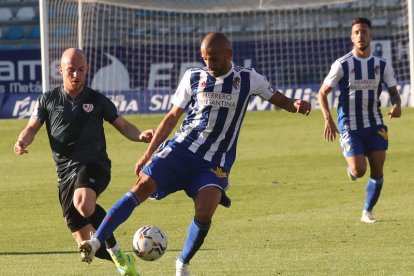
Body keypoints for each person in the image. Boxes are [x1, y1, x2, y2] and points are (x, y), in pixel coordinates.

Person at [78, 32, 311, 275]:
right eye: (205, 58)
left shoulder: (248, 78)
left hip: (215, 161)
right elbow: (172, 117)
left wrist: (295, 105)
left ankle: (182, 263)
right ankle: (96, 242)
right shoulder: (193, 77)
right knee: (142, 185)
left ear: (229, 54)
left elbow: (282, 100)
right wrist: (148, 153)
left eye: (214, 58)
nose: (209, 64)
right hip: (181, 149)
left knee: (205, 210)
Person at [14, 48, 153, 276]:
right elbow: (31, 127)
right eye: (71, 70)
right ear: (60, 70)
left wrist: (140, 136)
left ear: (86, 69)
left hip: (94, 165)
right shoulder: (48, 100)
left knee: (85, 204)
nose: (77, 75)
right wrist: (22, 141)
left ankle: (117, 252)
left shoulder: (97, 100)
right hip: (65, 177)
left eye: (81, 70)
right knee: (87, 245)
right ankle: (124, 259)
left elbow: (123, 125)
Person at [317, 17, 401, 223]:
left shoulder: (381, 65)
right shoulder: (342, 64)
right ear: (351, 37)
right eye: (356, 32)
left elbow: (393, 92)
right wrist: (328, 118)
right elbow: (322, 93)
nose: (360, 35)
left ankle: (367, 211)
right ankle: (352, 165)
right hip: (350, 125)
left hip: (374, 123)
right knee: (359, 170)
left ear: (370, 35)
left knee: (378, 168)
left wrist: (396, 104)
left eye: (363, 31)